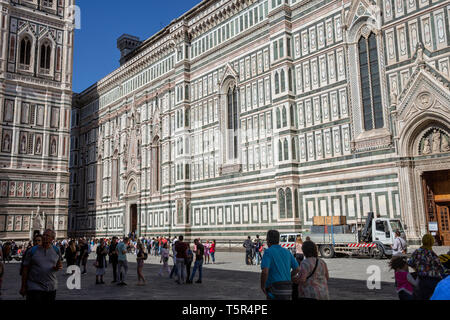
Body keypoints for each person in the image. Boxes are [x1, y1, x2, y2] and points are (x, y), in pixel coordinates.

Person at [20, 229, 63, 302]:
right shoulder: (32, 250)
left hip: (51, 287)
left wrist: (57, 267)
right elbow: (25, 269)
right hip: (34, 286)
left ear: (52, 238)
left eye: (47, 235)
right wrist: (23, 286)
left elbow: (59, 264)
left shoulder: (56, 250)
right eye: (44, 235)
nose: (45, 237)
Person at [260, 230, 300, 300]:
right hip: (288, 288)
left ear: (268, 240)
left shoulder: (268, 252)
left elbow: (265, 271)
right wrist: (288, 276)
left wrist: (262, 286)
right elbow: (297, 269)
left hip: (274, 288)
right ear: (278, 240)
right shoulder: (287, 252)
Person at [407, 234, 445, 300]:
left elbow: (410, 262)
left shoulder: (417, 251)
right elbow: (440, 267)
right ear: (431, 242)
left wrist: (417, 268)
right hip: (432, 280)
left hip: (421, 280)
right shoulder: (431, 253)